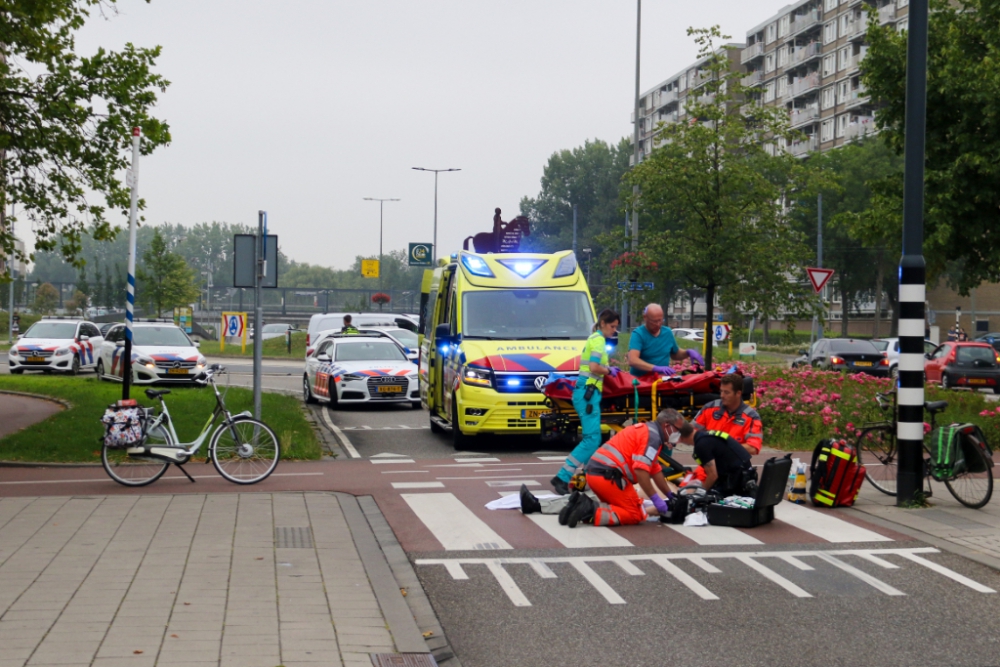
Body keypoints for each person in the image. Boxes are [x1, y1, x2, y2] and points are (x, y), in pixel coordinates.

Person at [563, 409, 683, 527]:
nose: (679, 434)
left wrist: (669, 494)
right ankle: (588, 510)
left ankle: (577, 506)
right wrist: (655, 498)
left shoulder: (648, 431)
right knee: (635, 514)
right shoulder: (653, 438)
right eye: (678, 429)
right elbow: (641, 471)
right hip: (609, 478)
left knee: (619, 508)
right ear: (667, 426)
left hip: (598, 475)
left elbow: (655, 469)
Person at [550, 308, 620, 496]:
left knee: (594, 438)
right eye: (612, 326)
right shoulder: (598, 340)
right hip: (588, 393)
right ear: (603, 323)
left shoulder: (594, 339)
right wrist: (609, 370)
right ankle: (563, 477)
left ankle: (589, 475)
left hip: (587, 392)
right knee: (591, 439)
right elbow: (594, 367)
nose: (614, 330)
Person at [676, 424, 756, 498]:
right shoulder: (707, 435)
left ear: (681, 438)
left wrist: (701, 492)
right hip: (746, 475)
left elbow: (713, 476)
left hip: (734, 481)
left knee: (704, 500)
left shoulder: (701, 445)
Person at [693, 373, 763, 455]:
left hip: (735, 466)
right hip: (708, 465)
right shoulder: (709, 408)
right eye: (721, 391)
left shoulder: (751, 417)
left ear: (738, 394)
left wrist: (724, 447)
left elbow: (753, 448)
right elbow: (691, 433)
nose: (722, 395)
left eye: (726, 392)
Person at [628, 303, 703, 377]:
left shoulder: (667, 332)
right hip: (641, 383)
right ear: (645, 317)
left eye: (660, 320)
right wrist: (655, 368)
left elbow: (675, 354)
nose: (658, 324)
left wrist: (687, 352)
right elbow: (633, 360)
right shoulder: (638, 334)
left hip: (661, 381)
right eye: (654, 321)